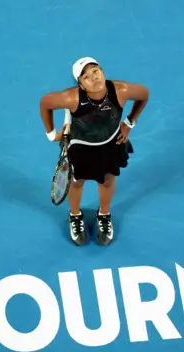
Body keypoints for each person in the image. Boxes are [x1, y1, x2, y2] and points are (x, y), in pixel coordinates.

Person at [39, 57, 149, 246]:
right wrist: (51, 134)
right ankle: (75, 215)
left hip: (110, 144)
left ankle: (104, 215)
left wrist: (129, 122)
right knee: (76, 183)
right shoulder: (70, 98)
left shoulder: (121, 91)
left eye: (96, 71)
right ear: (81, 85)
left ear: (103, 72)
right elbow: (45, 103)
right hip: (81, 147)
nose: (94, 77)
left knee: (107, 181)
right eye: (86, 76)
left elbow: (144, 95)